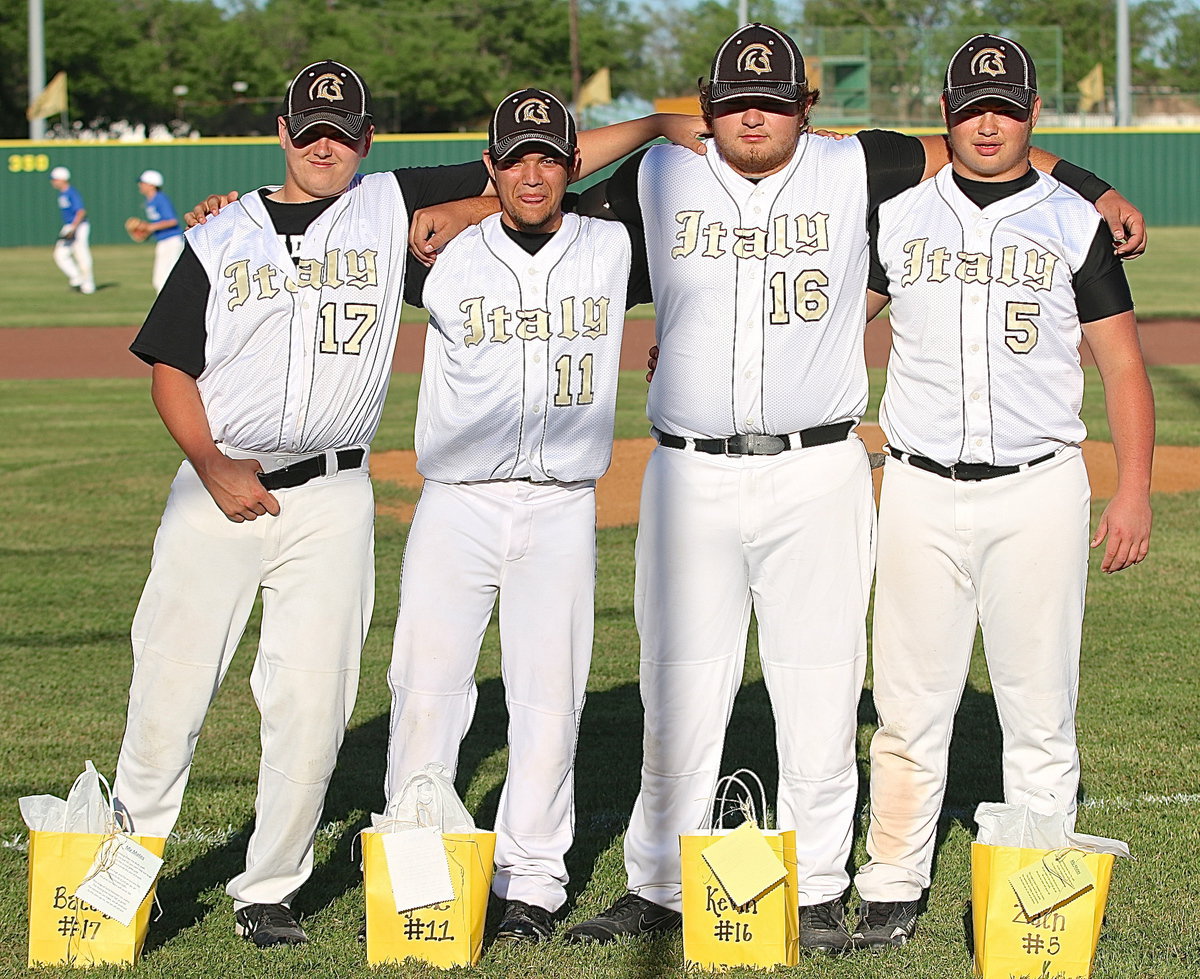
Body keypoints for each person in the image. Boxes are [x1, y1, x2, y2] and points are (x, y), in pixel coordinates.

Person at [548, 23, 1145, 955]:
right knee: (678, 687)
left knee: (821, 687)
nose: (754, 114)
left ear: (806, 109)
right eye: (735, 99)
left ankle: (822, 886)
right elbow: (541, 191)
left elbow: (984, 145)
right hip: (687, 471)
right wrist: (641, 131)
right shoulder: (663, 177)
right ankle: (658, 885)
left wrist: (1094, 186)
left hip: (818, 467)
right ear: (707, 106)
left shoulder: (857, 168)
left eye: (774, 100)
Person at [124, 61, 703, 949]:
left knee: (369, 699)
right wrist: (208, 461)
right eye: (309, 128)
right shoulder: (294, 235)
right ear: (282, 132)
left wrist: (664, 123)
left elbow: (574, 190)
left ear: (366, 141)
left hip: (453, 497)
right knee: (212, 687)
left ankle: (497, 886)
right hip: (377, 496)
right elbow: (171, 357)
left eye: (342, 130)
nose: (325, 143)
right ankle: (134, 876)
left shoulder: (486, 225)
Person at [849, 34, 1153, 949]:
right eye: (973, 106)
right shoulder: (899, 216)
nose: (990, 121)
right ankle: (893, 883)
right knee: (908, 701)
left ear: (1032, 117)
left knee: (1038, 702)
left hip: (1039, 489)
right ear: (946, 114)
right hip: (917, 489)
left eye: (1008, 107)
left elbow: (1125, 368)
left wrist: (1133, 487)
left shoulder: (1071, 221)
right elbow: (828, 327)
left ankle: (1042, 885)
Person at [385, 88, 654, 944]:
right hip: (456, 502)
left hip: (563, 505)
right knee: (426, 689)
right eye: (515, 158)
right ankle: (419, 867)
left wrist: (648, 123)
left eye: (550, 157)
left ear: (574, 165)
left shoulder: (615, 246)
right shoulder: (435, 253)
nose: (532, 173)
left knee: (549, 697)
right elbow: (318, 226)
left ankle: (531, 880)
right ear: (490, 165)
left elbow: (702, 153)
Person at [136, 169, 185, 292]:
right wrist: (146, 232)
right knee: (160, 279)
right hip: (164, 241)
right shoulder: (150, 200)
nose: (140, 185)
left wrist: (149, 227)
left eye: (142, 182)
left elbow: (172, 221)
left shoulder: (160, 199)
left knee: (163, 279)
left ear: (151, 185)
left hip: (172, 240)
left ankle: (170, 308)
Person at [49, 166, 95, 295]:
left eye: (54, 179)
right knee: (60, 254)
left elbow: (81, 211)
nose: (53, 182)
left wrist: (74, 228)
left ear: (62, 179)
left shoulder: (71, 192)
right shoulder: (62, 193)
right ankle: (77, 278)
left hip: (79, 226)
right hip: (70, 225)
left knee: (81, 254)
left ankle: (88, 285)